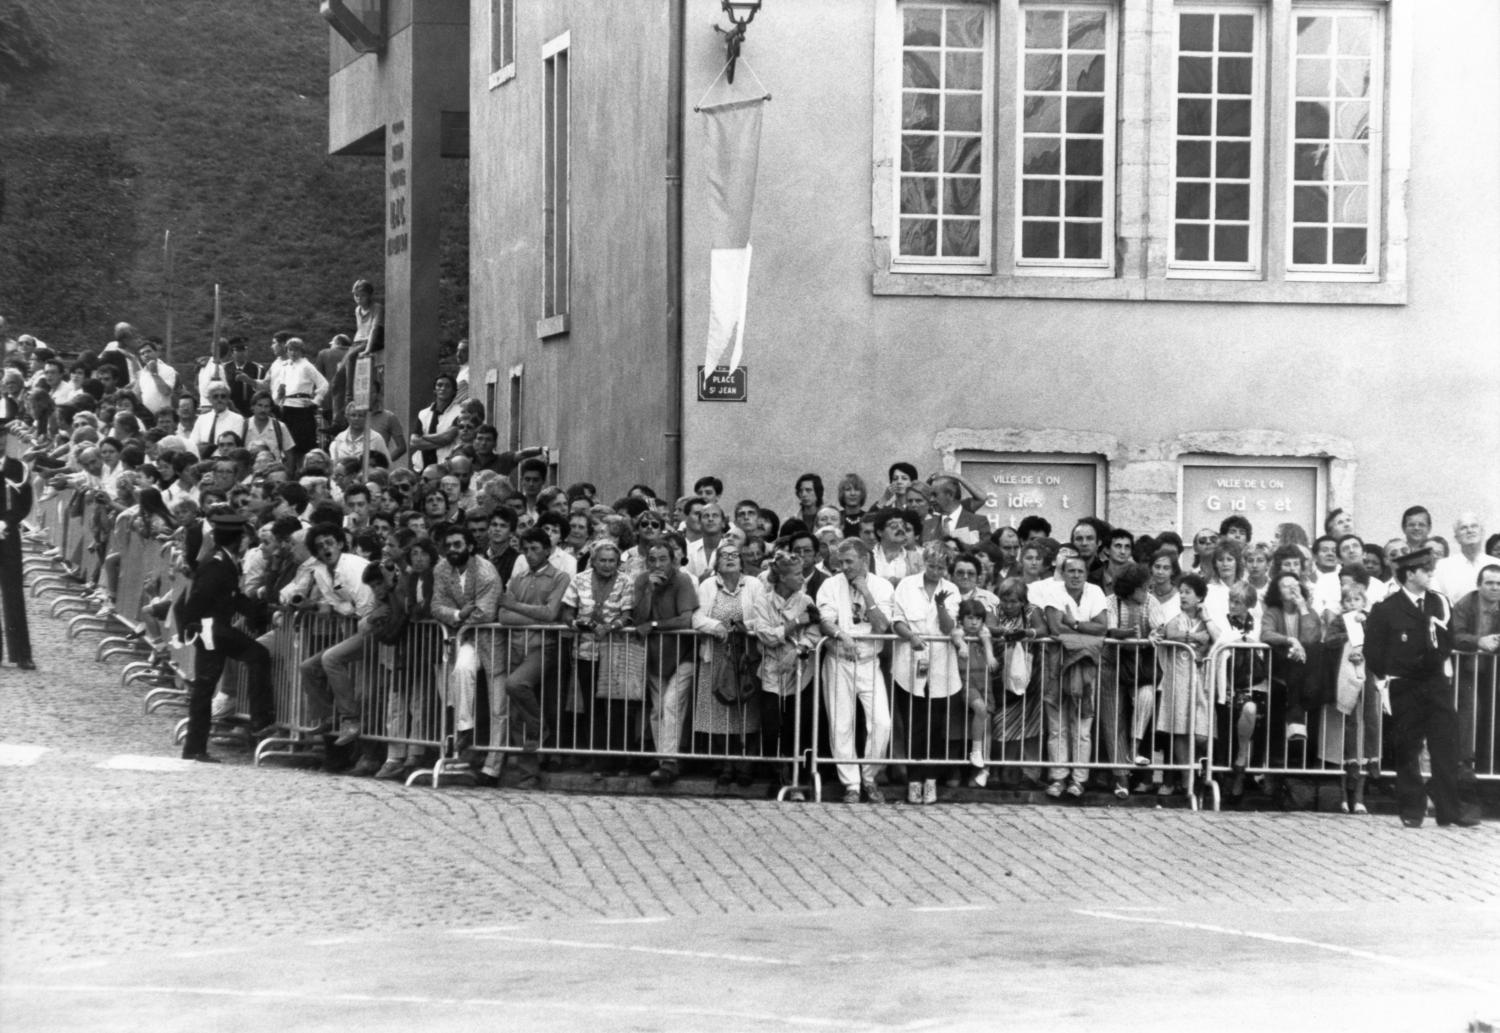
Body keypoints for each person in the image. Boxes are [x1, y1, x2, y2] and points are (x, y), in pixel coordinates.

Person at [1365, 548, 1480, 828]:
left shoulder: (1439, 602)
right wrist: (1391, 677)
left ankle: (1449, 810)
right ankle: (1412, 808)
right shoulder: (1386, 608)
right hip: (1405, 685)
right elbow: (1374, 650)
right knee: (1407, 748)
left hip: (1435, 683)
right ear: (1409, 574)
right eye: (1425, 570)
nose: (1430, 574)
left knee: (1445, 746)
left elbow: (1447, 638)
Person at [176, 507, 276, 760]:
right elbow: (199, 598)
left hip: (213, 628)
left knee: (206, 685)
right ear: (236, 539)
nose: (246, 542)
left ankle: (195, 746)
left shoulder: (222, 560)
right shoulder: (218, 563)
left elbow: (233, 597)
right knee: (255, 656)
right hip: (210, 629)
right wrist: (190, 627)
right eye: (243, 537)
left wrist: (255, 611)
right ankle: (260, 718)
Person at [478, 527, 570, 787]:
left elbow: (551, 613)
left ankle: (541, 728)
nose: (529, 554)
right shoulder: (517, 579)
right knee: (517, 712)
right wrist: (533, 614)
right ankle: (529, 773)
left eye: (535, 549)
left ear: (547, 550)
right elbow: (503, 616)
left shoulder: (559, 577)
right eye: (526, 549)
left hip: (543, 647)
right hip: (517, 646)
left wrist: (515, 606)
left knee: (515, 684)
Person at [817, 537, 896, 804]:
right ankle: (850, 783)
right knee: (841, 725)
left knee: (881, 722)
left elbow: (883, 626)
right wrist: (841, 634)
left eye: (850, 561)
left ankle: (870, 777)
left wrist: (866, 593)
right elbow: (825, 620)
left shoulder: (882, 586)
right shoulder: (830, 584)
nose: (844, 567)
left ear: (865, 560)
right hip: (838, 660)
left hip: (868, 662)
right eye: (841, 562)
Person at [891, 543, 963, 805]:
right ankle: (914, 781)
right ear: (924, 563)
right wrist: (910, 636)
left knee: (936, 726)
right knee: (913, 724)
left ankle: (930, 781)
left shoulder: (951, 589)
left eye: (941, 567)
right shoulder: (907, 585)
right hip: (910, 663)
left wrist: (942, 606)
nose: (935, 571)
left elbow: (948, 627)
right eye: (931, 565)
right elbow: (896, 619)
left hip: (942, 665)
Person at [690, 543, 765, 784]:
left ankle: (746, 765)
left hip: (746, 657)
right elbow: (697, 617)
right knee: (719, 711)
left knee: (747, 710)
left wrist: (746, 627)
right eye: (724, 555)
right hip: (717, 655)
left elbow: (763, 616)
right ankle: (726, 764)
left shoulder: (754, 584)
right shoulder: (707, 585)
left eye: (735, 555)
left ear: (742, 561)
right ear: (716, 561)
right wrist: (715, 626)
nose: (730, 559)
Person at [1043, 554, 1110, 798]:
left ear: (1086, 573)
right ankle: (1058, 777)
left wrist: (1073, 624)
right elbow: (1054, 627)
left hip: (1087, 667)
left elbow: (1102, 626)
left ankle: (1079, 779)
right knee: (1057, 727)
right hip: (1057, 665)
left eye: (1080, 571)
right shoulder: (1054, 592)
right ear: (1063, 572)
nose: (1076, 576)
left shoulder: (1095, 592)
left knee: (1082, 727)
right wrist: (1082, 630)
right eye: (1071, 571)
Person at [635, 539, 700, 785]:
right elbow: (638, 618)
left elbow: (685, 620)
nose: (658, 564)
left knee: (672, 704)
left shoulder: (682, 580)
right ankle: (663, 759)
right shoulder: (642, 581)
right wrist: (649, 592)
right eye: (652, 560)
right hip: (655, 655)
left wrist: (654, 625)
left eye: (663, 559)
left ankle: (669, 761)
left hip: (683, 654)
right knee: (658, 708)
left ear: (672, 559)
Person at [1152, 573, 1219, 796]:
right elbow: (1170, 633)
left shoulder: (1207, 618)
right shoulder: (1177, 616)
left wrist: (1206, 623)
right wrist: (1192, 637)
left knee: (1202, 732)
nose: (1182, 596)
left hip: (1201, 681)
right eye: (1181, 591)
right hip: (1179, 679)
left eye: (1188, 592)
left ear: (1199, 596)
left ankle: (1201, 770)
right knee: (1180, 729)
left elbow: (1217, 639)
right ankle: (1187, 779)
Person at [0, 419, 35, 670]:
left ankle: (22, 653)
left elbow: (24, 504)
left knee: (13, 592)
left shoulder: (17, 468)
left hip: (7, 534)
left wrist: (6, 522)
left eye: (2, 436)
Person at [1434, 513, 1500, 603]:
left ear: (1482, 533)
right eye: (1463, 528)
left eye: (1474, 526)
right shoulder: (1442, 567)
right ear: (1456, 538)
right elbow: (1437, 602)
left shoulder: (1497, 564)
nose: (1469, 530)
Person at [409, 373, 461, 471]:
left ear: (454, 391)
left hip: (445, 468)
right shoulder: (423, 413)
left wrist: (423, 437)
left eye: (447, 386)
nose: (443, 388)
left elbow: (446, 438)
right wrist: (441, 441)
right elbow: (414, 442)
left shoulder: (459, 412)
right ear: (434, 390)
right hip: (422, 469)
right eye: (439, 385)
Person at [189, 382, 247, 460]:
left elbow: (234, 445)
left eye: (223, 396)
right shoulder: (202, 419)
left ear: (228, 399)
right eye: (215, 396)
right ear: (209, 399)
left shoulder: (237, 419)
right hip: (202, 460)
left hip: (226, 461)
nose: (219, 399)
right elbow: (192, 444)